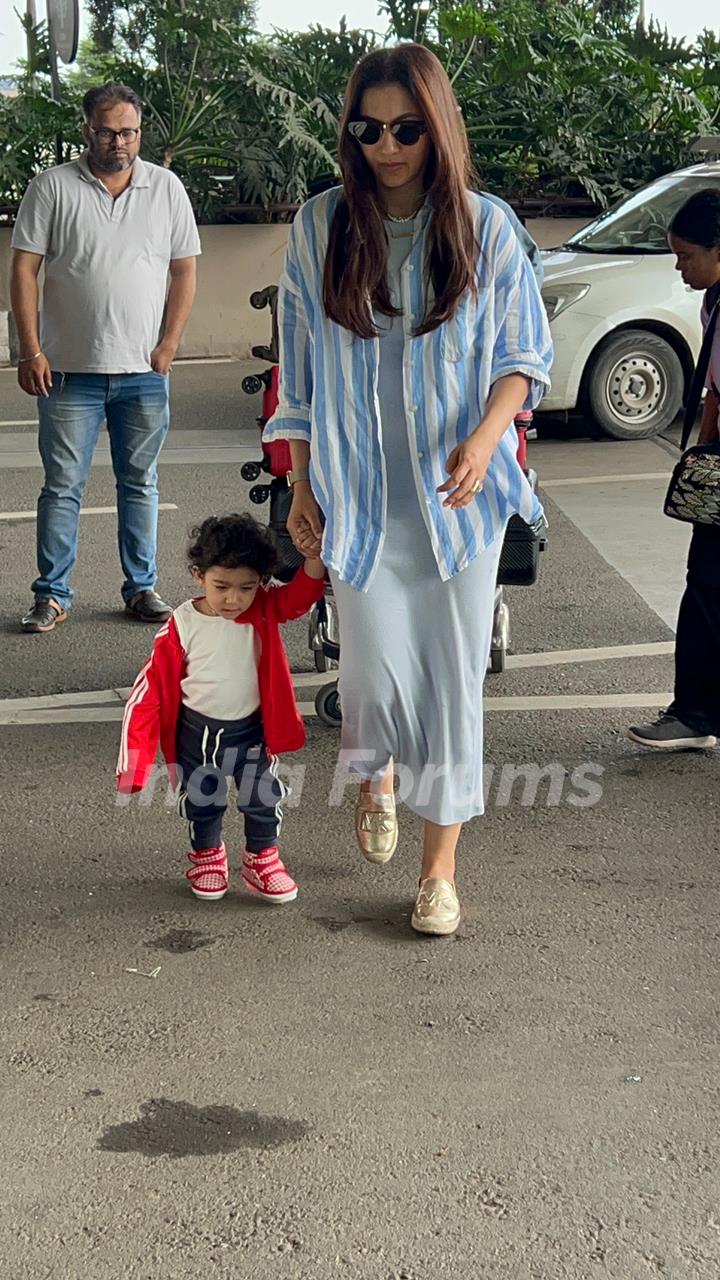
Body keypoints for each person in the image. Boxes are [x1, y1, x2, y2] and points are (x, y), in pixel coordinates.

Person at [263, 44, 552, 936]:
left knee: (451, 686)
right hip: (357, 498)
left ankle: (439, 875)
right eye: (368, 128)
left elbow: (522, 358)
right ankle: (376, 775)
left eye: (406, 129)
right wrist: (302, 488)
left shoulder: (485, 226)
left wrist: (485, 436)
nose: (386, 145)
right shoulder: (320, 227)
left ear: (438, 128)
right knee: (373, 681)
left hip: (460, 501)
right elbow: (299, 377)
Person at [10, 81, 202, 633]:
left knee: (140, 484)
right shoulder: (52, 187)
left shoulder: (165, 188)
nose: (118, 141)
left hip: (144, 372)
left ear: (140, 132)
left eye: (129, 131)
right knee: (62, 487)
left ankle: (141, 589)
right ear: (86, 130)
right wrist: (30, 349)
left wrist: (169, 345)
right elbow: (24, 269)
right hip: (67, 371)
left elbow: (184, 268)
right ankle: (52, 594)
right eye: (107, 130)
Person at [116, 513, 326, 902]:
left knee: (264, 797)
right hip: (199, 733)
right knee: (202, 799)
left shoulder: (264, 607)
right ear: (199, 575)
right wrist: (135, 762)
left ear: (261, 582)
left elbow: (300, 597)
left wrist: (313, 559)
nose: (233, 598)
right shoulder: (183, 623)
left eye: (247, 587)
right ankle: (207, 856)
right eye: (221, 586)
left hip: (253, 729)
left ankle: (262, 858)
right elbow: (149, 691)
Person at [629, 189, 720, 751]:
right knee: (706, 588)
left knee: (707, 591)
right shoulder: (713, 302)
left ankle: (694, 713)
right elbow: (714, 389)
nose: (680, 267)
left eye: (688, 255)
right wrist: (704, 458)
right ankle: (697, 710)